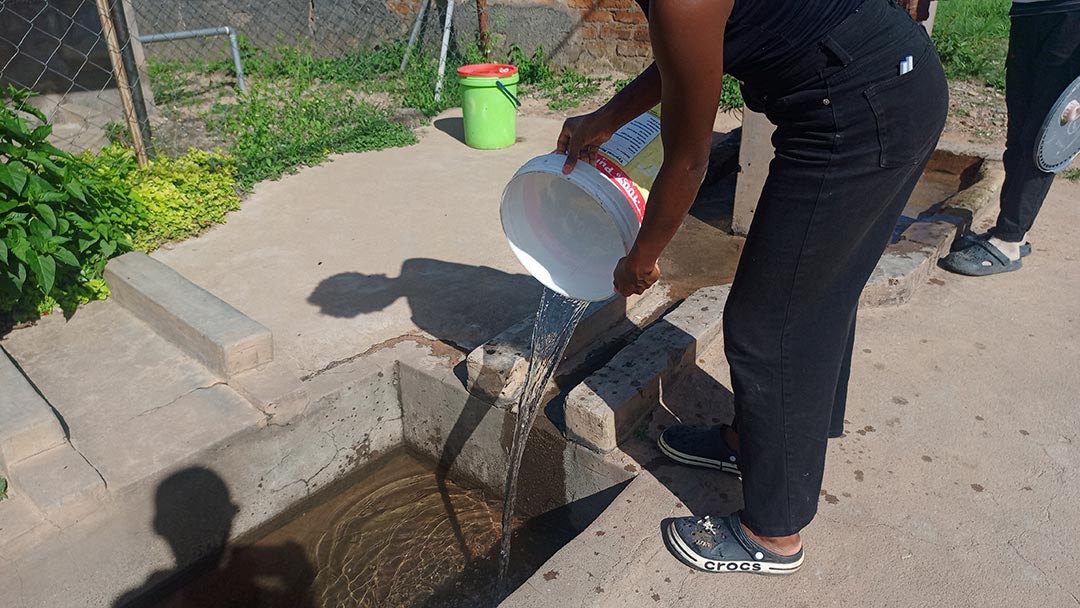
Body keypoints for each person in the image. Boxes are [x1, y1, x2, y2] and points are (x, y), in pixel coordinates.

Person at [556, 0, 948, 574]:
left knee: (767, 325)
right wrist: (608, 117)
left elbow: (688, 160)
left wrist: (642, 257)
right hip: (882, 84)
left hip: (860, 110)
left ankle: (773, 532)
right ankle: (754, 445)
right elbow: (686, 56)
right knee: (815, 294)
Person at [939, 0, 1080, 276]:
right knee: (1017, 134)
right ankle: (1012, 230)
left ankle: (1008, 241)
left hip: (1071, 15)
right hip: (1028, 11)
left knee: (1042, 136)